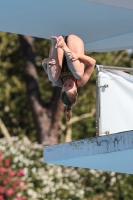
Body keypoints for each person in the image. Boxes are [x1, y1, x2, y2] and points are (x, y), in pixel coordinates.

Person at [42, 34, 96, 121]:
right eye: (70, 85)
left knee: (52, 78)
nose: (67, 82)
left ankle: (54, 44)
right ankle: (64, 46)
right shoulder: (81, 81)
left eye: (65, 85)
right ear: (76, 90)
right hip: (74, 41)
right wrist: (78, 56)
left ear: (62, 88)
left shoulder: (57, 81)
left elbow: (43, 63)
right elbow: (92, 63)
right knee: (78, 74)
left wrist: (47, 61)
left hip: (58, 45)